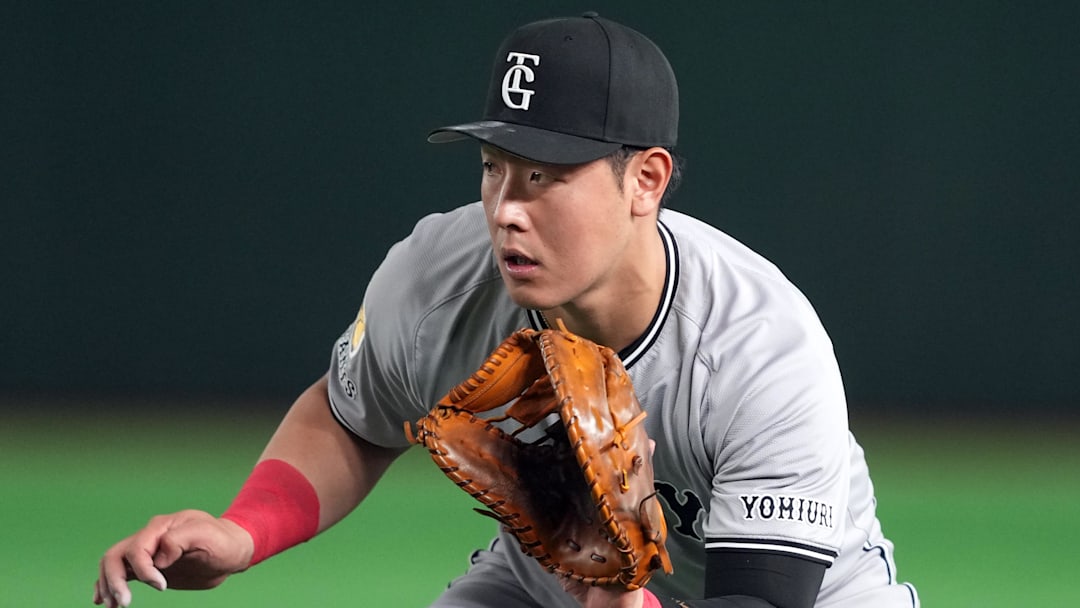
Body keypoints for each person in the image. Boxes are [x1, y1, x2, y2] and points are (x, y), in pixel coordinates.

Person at [93, 13, 918, 608]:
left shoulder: (759, 348)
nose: (506, 209)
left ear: (646, 181)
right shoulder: (439, 279)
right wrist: (243, 533)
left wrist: (631, 601)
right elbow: (351, 417)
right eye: (495, 166)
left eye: (545, 176)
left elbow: (764, 598)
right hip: (560, 583)